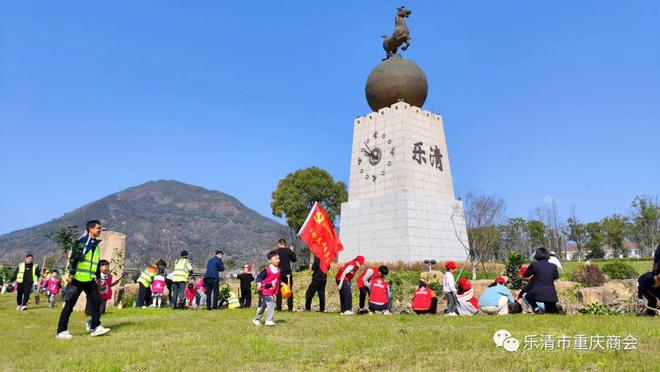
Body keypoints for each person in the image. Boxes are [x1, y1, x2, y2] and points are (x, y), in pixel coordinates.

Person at [56, 220, 111, 339]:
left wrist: (98, 277)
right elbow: (74, 258)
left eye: (100, 228)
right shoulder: (82, 242)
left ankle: (95, 327)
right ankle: (61, 331)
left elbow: (95, 263)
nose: (100, 230)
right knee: (69, 305)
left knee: (96, 302)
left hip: (90, 280)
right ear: (90, 229)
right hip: (78, 280)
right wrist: (71, 273)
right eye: (98, 228)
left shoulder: (95, 245)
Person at [523, 247, 560, 314]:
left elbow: (526, 275)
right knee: (550, 313)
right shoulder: (554, 266)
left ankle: (536, 309)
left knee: (527, 296)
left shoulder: (534, 265)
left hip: (537, 293)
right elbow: (555, 277)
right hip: (551, 295)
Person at [253, 250, 281, 326]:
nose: (278, 260)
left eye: (278, 258)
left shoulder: (278, 270)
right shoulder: (267, 269)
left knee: (264, 305)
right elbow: (259, 277)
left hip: (271, 290)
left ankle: (257, 319)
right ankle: (269, 320)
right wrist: (259, 283)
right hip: (264, 289)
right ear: (270, 261)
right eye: (275, 258)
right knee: (271, 301)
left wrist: (282, 283)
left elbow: (278, 280)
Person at [275, 239, 297, 312]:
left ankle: (279, 308)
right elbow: (294, 259)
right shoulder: (288, 251)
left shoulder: (276, 252)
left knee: (278, 291)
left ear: (279, 243)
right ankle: (290, 308)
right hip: (288, 274)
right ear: (285, 244)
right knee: (289, 290)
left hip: (279, 273)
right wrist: (292, 251)